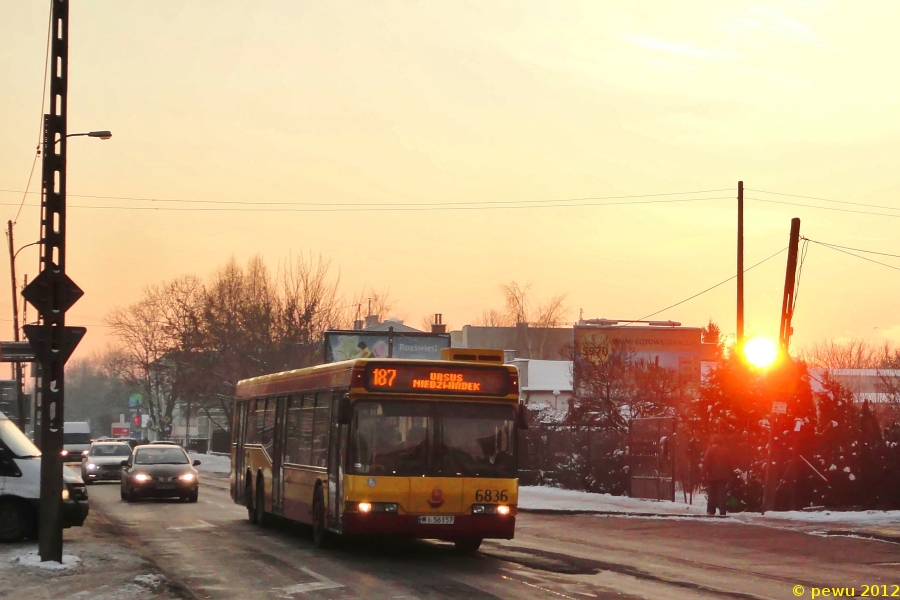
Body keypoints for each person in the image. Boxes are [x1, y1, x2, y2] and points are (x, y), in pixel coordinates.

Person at [701, 434, 732, 516]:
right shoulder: (726, 451)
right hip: (723, 477)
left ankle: (711, 511)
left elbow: (706, 464)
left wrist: (702, 473)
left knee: (711, 494)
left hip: (712, 477)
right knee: (721, 495)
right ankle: (722, 512)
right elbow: (730, 464)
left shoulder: (710, 450)